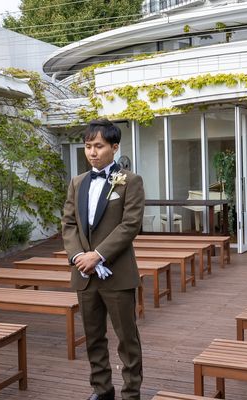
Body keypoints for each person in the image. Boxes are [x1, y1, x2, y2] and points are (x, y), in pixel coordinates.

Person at [62, 119, 145, 400]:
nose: (92, 152)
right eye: (88, 146)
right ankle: (102, 389)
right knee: (93, 337)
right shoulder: (77, 183)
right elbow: (68, 224)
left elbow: (130, 225)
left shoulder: (130, 181)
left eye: (98, 146)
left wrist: (97, 255)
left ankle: (131, 394)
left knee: (127, 339)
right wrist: (78, 256)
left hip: (116, 273)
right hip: (84, 275)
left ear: (114, 147)